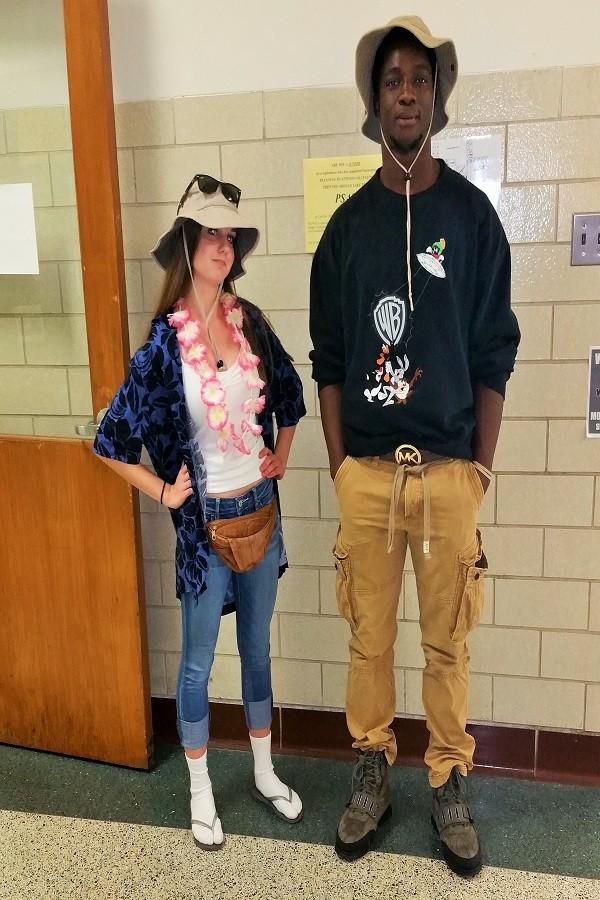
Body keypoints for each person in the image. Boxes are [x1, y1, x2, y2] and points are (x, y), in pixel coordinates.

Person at [309, 16, 520, 876]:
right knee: (368, 638)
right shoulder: (348, 228)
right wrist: (337, 465)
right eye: (393, 79)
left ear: (436, 97)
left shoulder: (470, 220)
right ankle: (372, 767)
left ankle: (446, 778)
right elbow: (326, 357)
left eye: (420, 80)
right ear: (375, 98)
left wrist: (480, 466)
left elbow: (494, 349)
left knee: (447, 643)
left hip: (447, 476)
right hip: (366, 475)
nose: (406, 92)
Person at [94, 174, 306, 850]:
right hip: (204, 528)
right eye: (210, 232)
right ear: (187, 244)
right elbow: (110, 441)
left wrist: (281, 453)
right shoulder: (163, 348)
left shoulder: (252, 324)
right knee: (196, 662)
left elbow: (292, 395)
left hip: (260, 513)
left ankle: (266, 774)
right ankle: (200, 789)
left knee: (257, 654)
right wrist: (164, 493)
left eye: (229, 235)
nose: (223, 243)